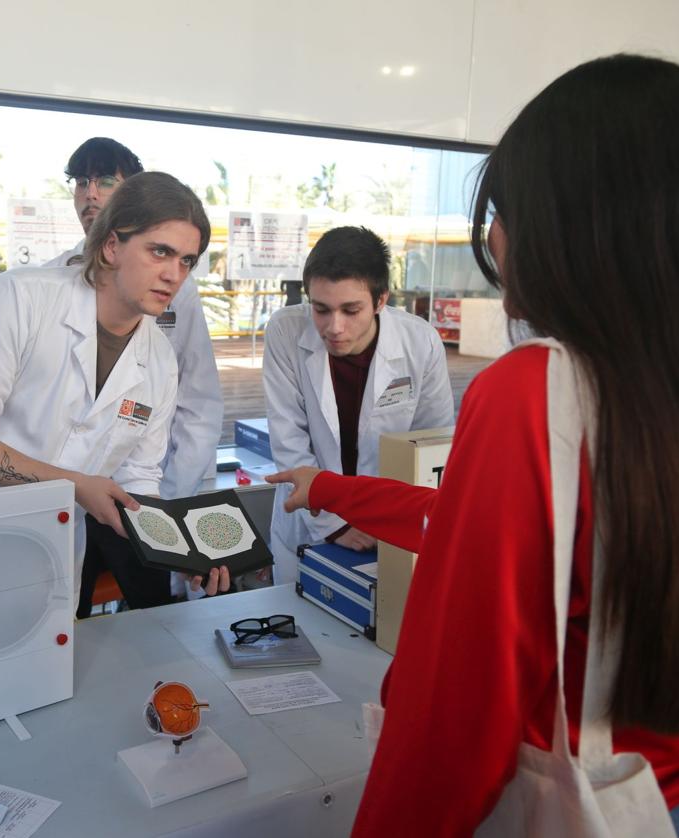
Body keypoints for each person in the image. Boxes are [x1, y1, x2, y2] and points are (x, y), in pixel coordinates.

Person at [268, 55, 679, 835]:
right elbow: (500, 527)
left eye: (505, 207)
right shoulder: (645, 387)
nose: (492, 235)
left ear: (576, 219)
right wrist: (326, 490)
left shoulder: (535, 390)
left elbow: (454, 706)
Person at [0, 171, 228, 604]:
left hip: (54, 564)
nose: (174, 274)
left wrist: (181, 548)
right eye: (160, 251)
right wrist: (76, 484)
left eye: (187, 260)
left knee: (47, 669)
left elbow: (137, 477)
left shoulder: (160, 360)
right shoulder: (18, 300)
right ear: (111, 246)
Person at [45, 138, 225, 611]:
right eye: (80, 182)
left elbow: (198, 402)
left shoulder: (172, 290)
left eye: (105, 181)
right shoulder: (39, 289)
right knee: (62, 615)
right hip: (52, 498)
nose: (90, 194)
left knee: (153, 617)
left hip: (137, 496)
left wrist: (172, 504)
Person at [262, 225, 454, 584]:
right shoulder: (285, 331)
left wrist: (390, 519)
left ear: (381, 300)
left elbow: (432, 447)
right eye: (321, 309)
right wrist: (333, 525)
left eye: (351, 310)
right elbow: (288, 438)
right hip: (309, 520)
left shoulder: (420, 342)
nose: (334, 327)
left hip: (390, 526)